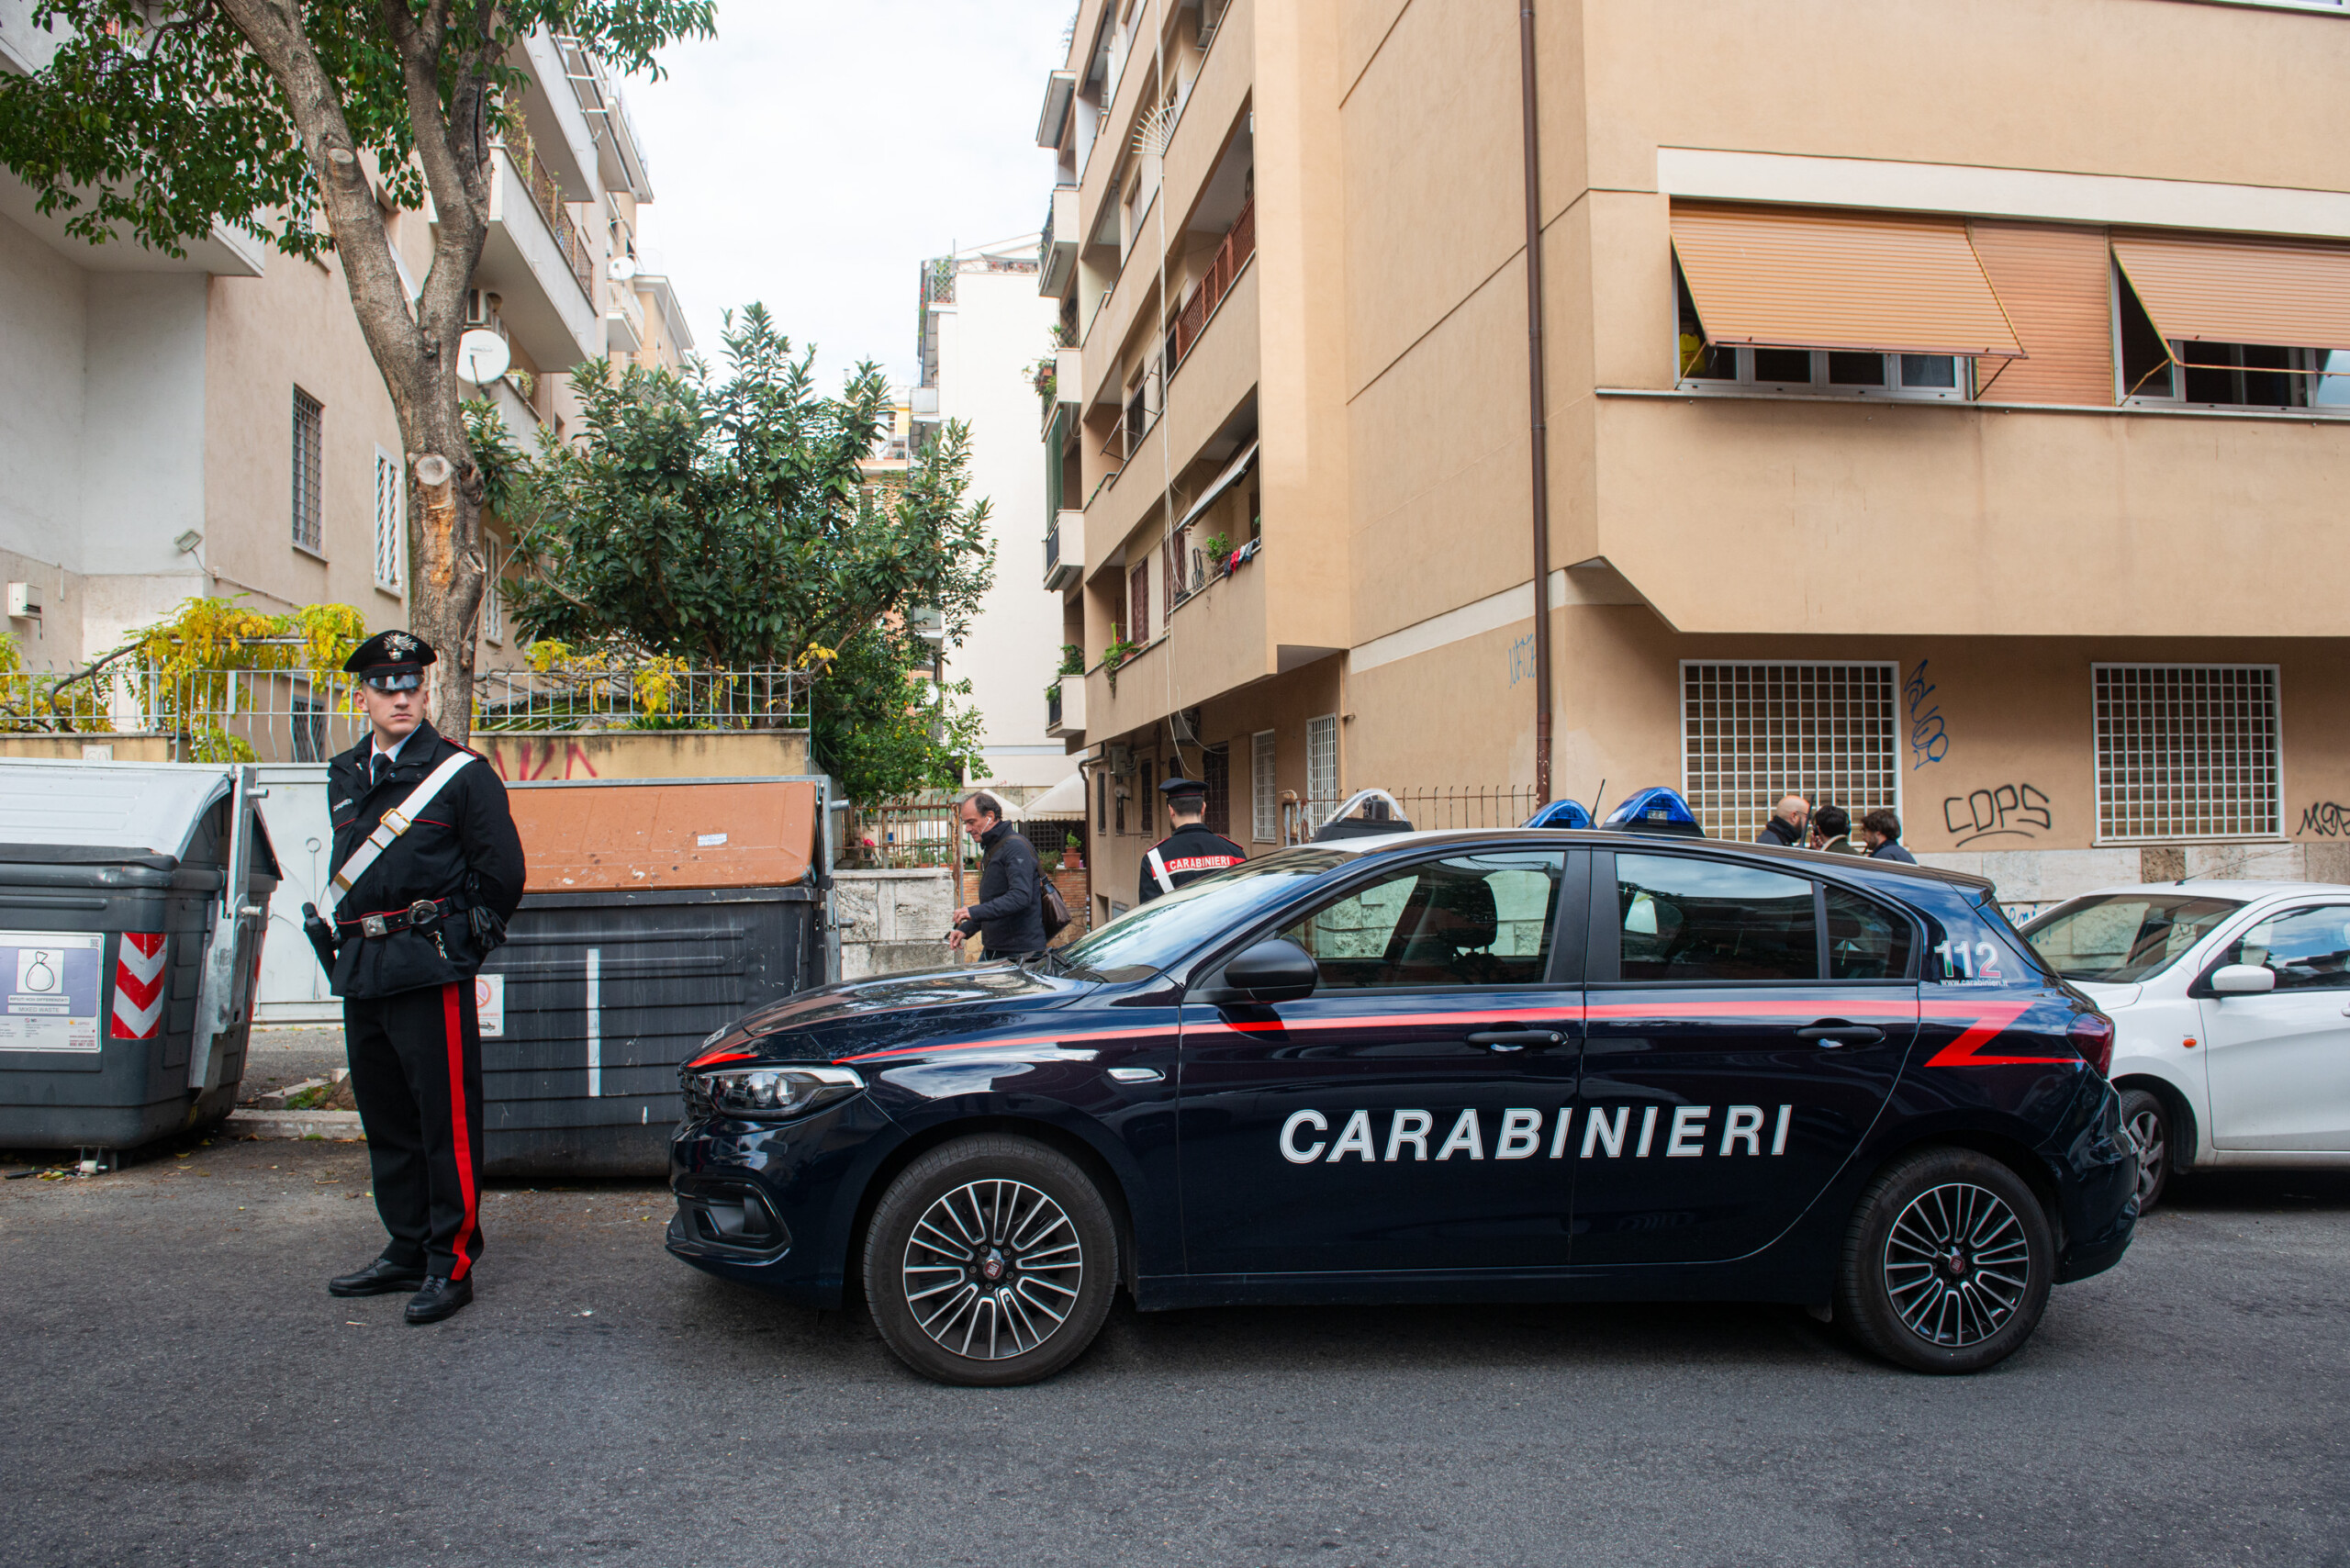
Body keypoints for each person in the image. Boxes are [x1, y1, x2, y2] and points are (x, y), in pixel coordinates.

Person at [320, 632, 525, 1325]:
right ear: (364, 698)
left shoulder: (462, 774)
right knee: (387, 1119)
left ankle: (451, 1259)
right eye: (386, 686)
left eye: (411, 684)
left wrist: (459, 946)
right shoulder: (346, 773)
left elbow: (502, 876)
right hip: (363, 966)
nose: (401, 695)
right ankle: (406, 1246)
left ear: (425, 693)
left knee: (446, 1122)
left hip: (427, 965)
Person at [949, 792, 1046, 959]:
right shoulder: (995, 847)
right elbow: (996, 904)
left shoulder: (1014, 847)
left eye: (971, 822)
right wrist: (966, 929)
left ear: (990, 816)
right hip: (998, 949)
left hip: (1019, 954)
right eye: (966, 823)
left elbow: (1020, 897)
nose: (967, 829)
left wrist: (973, 911)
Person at [1139, 776, 1248, 903]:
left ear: (1171, 810)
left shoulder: (1153, 861)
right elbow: (1245, 902)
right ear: (1203, 808)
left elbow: (1149, 915)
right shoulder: (1234, 853)